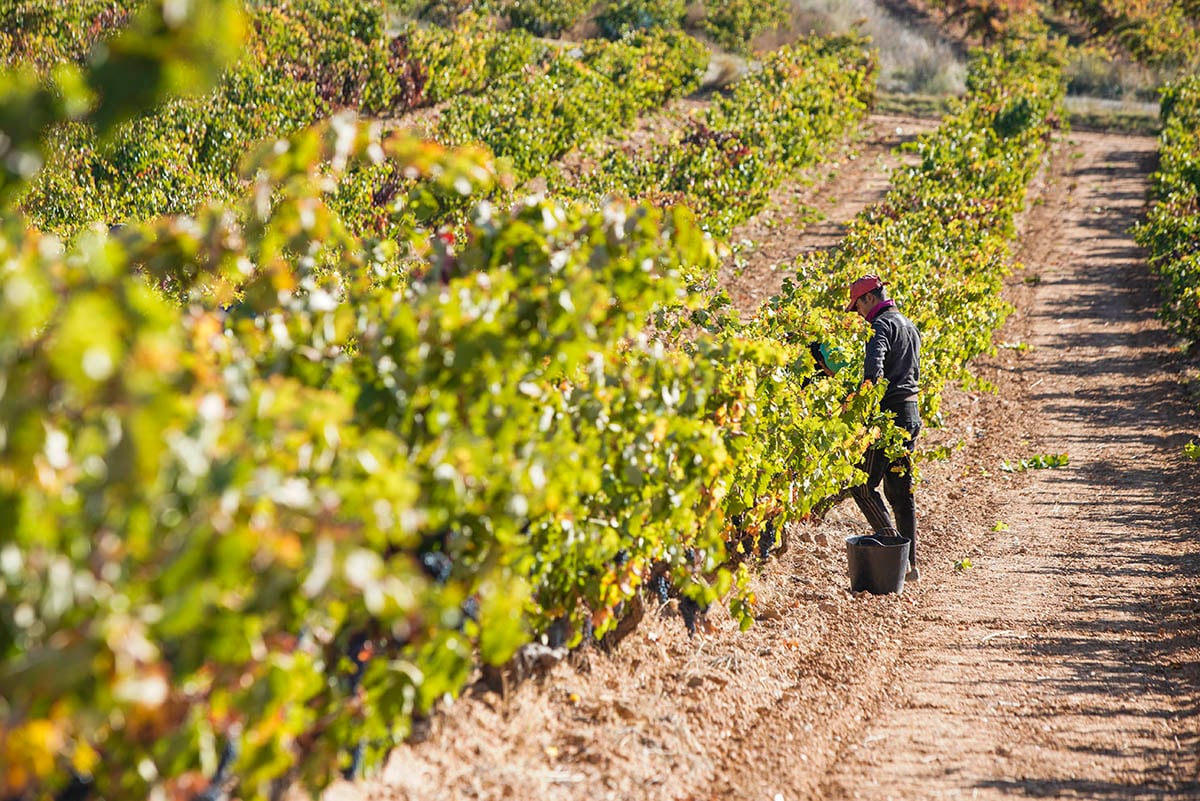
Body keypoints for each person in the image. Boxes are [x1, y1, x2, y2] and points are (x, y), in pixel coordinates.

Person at [845, 274, 922, 581]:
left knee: (862, 486)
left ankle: (893, 549)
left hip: (888, 416)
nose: (859, 315)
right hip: (910, 413)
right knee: (901, 493)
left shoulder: (881, 326)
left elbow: (874, 370)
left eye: (858, 306)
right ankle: (910, 566)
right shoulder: (908, 324)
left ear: (869, 299)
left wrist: (858, 404)